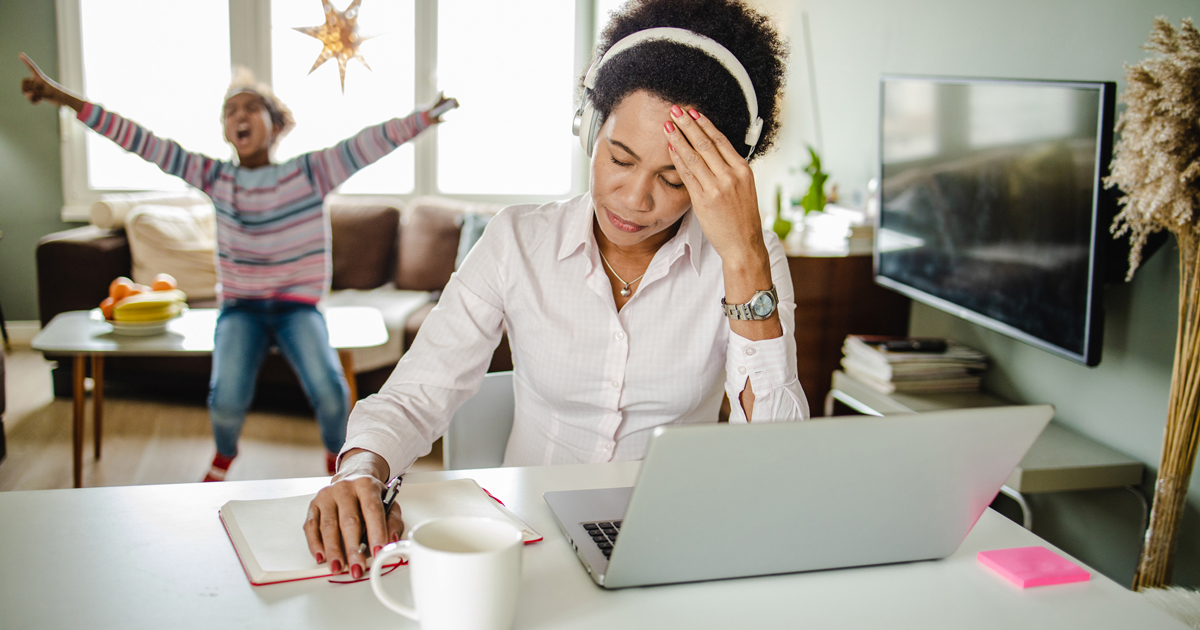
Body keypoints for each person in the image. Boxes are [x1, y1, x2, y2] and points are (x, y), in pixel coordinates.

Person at [304, 0, 806, 580]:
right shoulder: (517, 241)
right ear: (590, 129)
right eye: (619, 158)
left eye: (675, 178)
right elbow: (417, 393)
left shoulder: (748, 258)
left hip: (669, 543)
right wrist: (360, 469)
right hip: (525, 544)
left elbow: (775, 462)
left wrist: (742, 257)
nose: (635, 199)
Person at [19, 55, 454, 481]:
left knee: (330, 391)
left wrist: (425, 118)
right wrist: (65, 99)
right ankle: (225, 454)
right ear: (227, 131)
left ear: (276, 124)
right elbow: (141, 141)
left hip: (297, 309)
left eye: (250, 107)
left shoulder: (310, 173)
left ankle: (336, 458)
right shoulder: (214, 177)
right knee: (225, 400)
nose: (239, 115)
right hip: (241, 309)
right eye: (230, 111)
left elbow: (371, 143)